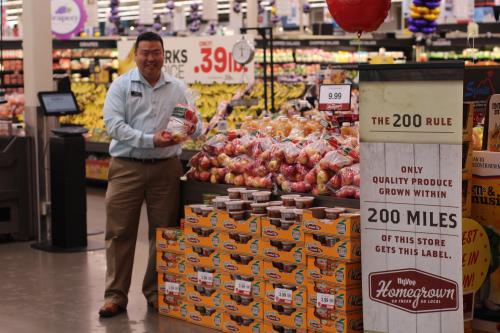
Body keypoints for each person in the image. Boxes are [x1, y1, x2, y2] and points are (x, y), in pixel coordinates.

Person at [98, 31, 202, 318]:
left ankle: (157, 292)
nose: (150, 58)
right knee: (119, 232)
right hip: (126, 167)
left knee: (164, 232)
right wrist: (150, 140)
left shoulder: (177, 88)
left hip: (165, 169)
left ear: (163, 54)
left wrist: (192, 127)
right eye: (145, 52)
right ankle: (115, 295)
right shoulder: (120, 86)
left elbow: (194, 121)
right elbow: (114, 126)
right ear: (136, 54)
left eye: (156, 52)